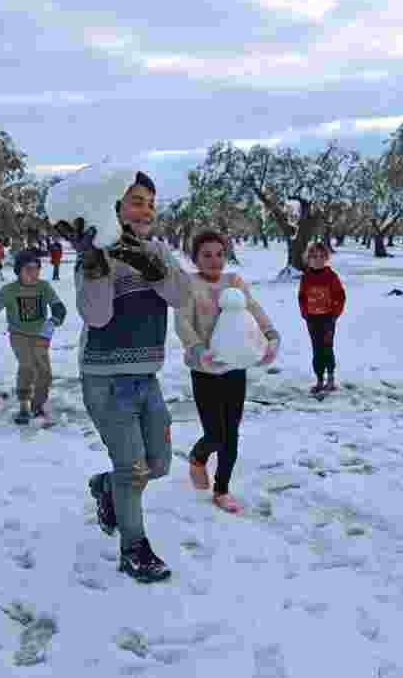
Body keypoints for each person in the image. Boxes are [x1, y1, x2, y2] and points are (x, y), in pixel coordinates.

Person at [71, 171, 192, 583]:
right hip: (106, 377)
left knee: (157, 464)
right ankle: (133, 548)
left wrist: (150, 262)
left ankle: (107, 488)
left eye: (151, 203)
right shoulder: (96, 254)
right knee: (133, 470)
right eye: (137, 201)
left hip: (146, 376)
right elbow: (97, 316)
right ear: (115, 207)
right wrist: (95, 266)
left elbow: (181, 296)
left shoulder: (158, 249)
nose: (147, 210)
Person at [175, 230, 280, 513]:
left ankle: (221, 489)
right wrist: (199, 351)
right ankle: (198, 457)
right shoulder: (188, 284)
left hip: (235, 369)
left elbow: (254, 310)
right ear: (194, 257)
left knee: (231, 434)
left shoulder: (234, 281)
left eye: (219, 254)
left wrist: (271, 336)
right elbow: (182, 323)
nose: (214, 260)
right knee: (215, 434)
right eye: (206, 255)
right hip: (204, 369)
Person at [0, 249, 66, 425]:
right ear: (18, 271)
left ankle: (37, 405)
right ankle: (24, 405)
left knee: (45, 373)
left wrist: (54, 320)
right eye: (28, 269)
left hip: (41, 336)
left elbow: (59, 307)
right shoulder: (10, 290)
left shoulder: (44, 287)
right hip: (19, 335)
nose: (33, 273)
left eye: (36, 269)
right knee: (27, 366)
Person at [298, 241, 345, 394]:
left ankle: (330, 379)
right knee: (316, 349)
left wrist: (334, 314)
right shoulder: (306, 277)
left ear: (326, 258)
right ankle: (319, 380)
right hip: (312, 319)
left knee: (327, 348)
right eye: (314, 256)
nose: (317, 260)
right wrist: (305, 314)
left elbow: (341, 296)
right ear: (308, 259)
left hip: (328, 318)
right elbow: (302, 297)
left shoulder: (331, 276)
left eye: (321, 256)